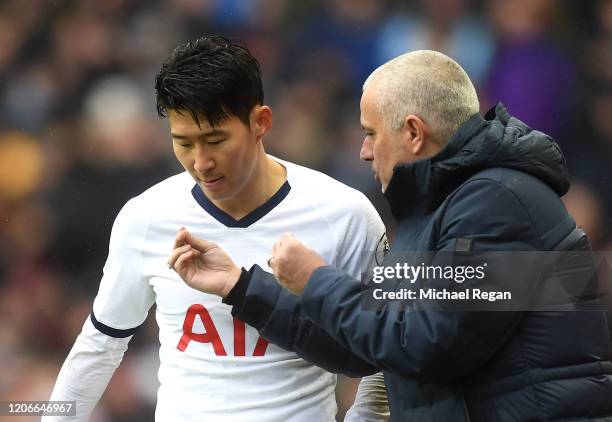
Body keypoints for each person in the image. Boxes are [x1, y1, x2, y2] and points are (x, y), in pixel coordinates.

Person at [171, 50, 612, 421]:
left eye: (370, 133)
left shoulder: (498, 204)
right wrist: (241, 287)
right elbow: (367, 347)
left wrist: (316, 279)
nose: (363, 150)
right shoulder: (442, 208)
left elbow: (424, 345)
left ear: (414, 133)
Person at [44, 35, 391, 421]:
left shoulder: (345, 215)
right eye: (184, 143)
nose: (201, 161)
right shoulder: (146, 217)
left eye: (215, 140)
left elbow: (386, 353)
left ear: (261, 122)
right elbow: (100, 345)